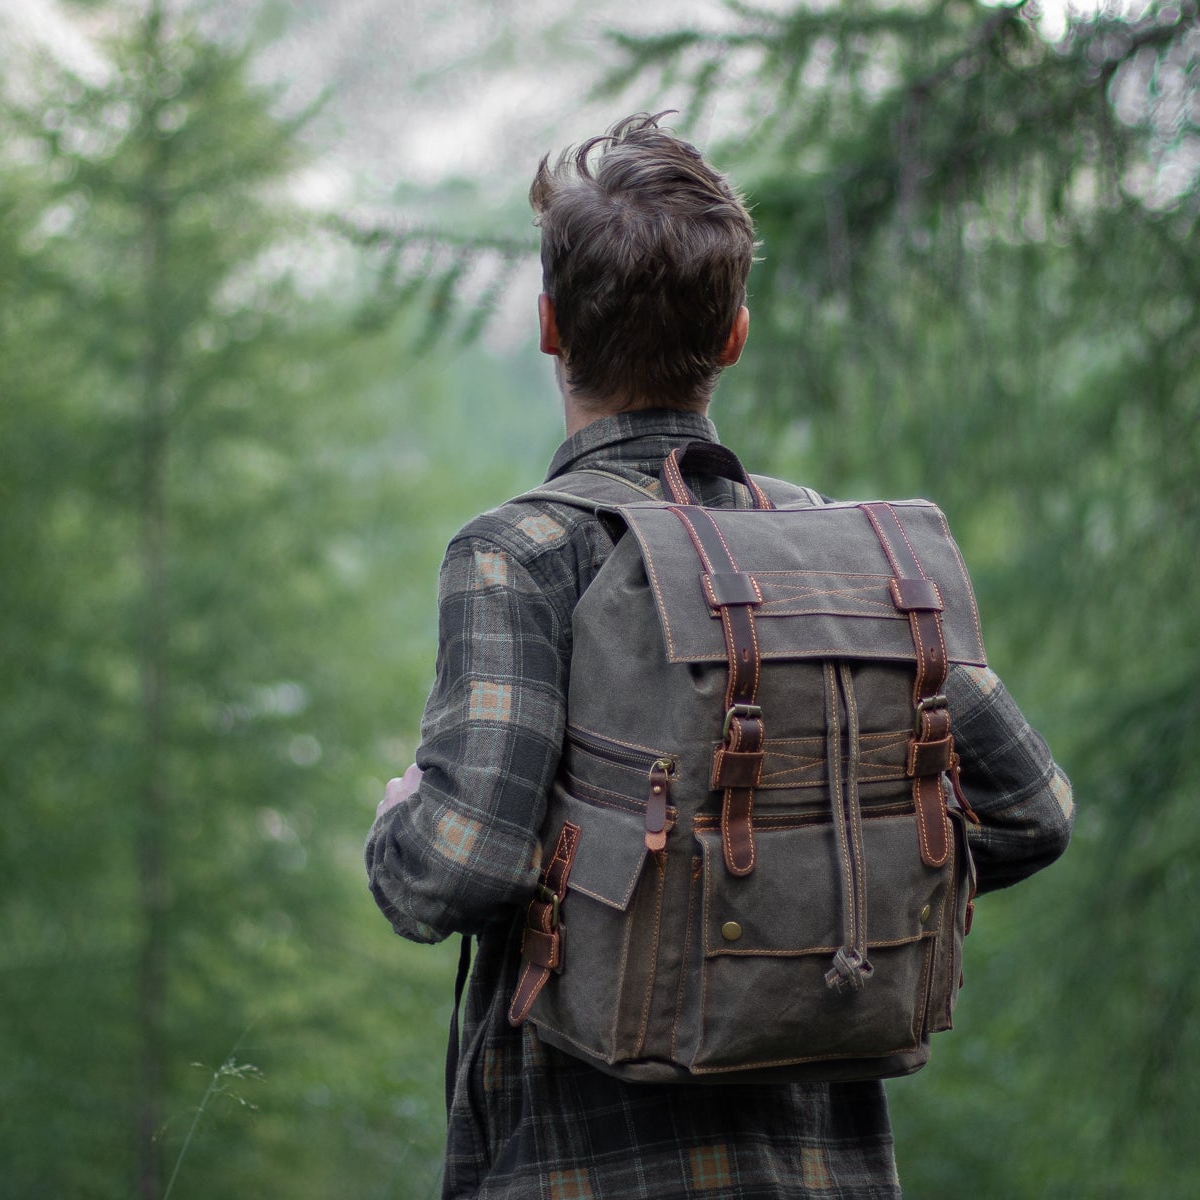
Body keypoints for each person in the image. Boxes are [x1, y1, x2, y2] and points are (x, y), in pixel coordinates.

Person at [365, 112, 1076, 1200]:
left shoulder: (520, 552)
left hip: (577, 1167)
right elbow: (1032, 811)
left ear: (551, 328)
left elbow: (458, 866)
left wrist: (398, 817)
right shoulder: (841, 558)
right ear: (734, 335)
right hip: (822, 1169)